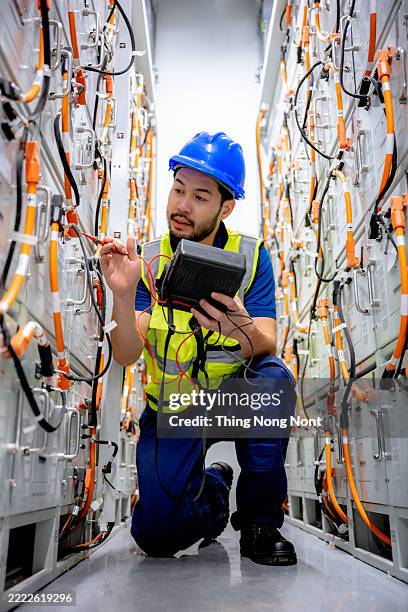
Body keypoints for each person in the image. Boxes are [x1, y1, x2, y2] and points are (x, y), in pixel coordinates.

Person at [100, 132, 297, 566]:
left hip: (232, 396)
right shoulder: (148, 260)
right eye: (178, 190)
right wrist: (122, 291)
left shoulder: (252, 255)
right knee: (154, 536)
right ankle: (215, 488)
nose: (182, 206)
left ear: (226, 207)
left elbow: (267, 341)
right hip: (174, 408)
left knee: (275, 379)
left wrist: (240, 326)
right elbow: (127, 354)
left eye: (200, 197)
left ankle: (261, 523)